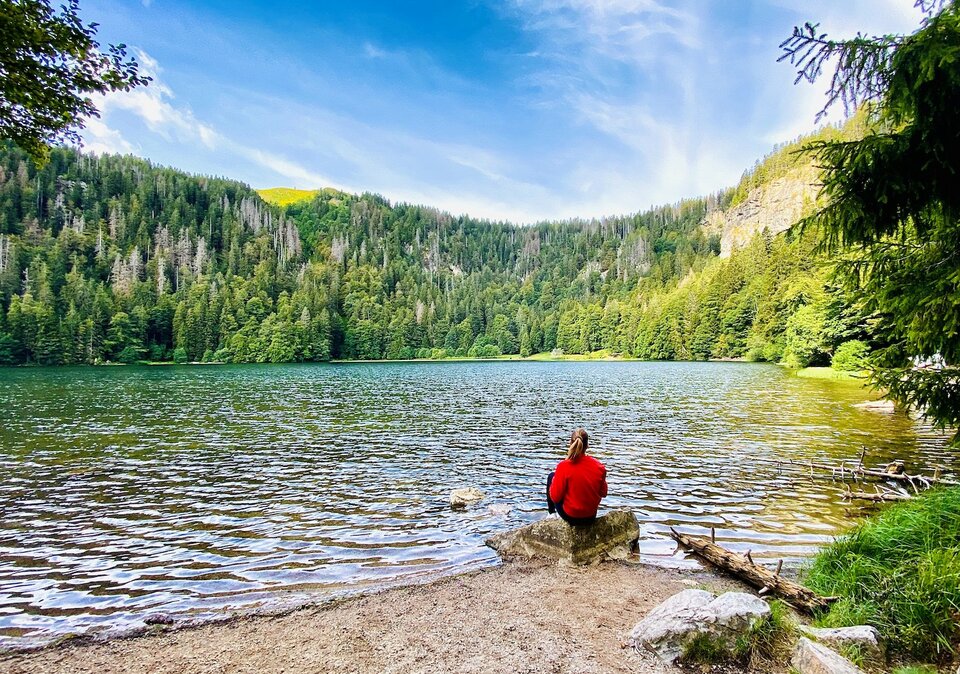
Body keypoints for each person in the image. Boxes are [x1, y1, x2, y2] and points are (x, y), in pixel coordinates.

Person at [546, 428, 607, 524]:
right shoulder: (599, 467)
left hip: (571, 517)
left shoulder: (563, 466)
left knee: (551, 476)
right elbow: (603, 493)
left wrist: (556, 481)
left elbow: (555, 497)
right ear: (587, 445)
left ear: (570, 444)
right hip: (590, 517)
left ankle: (551, 514)